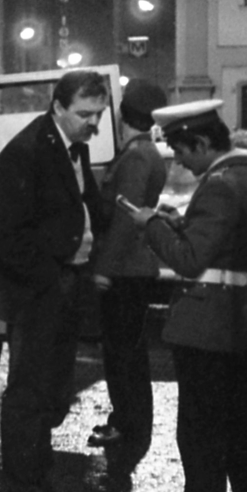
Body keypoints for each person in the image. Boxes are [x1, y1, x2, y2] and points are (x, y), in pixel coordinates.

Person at [120, 99, 247, 492]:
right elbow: (221, 247)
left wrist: (151, 224)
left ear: (200, 142)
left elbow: (191, 261)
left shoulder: (219, 185)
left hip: (207, 324)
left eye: (181, 150)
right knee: (245, 429)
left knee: (201, 436)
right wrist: (183, 226)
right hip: (240, 318)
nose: (179, 160)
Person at [0, 69, 110, 492]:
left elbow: (82, 207)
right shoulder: (27, 151)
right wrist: (49, 279)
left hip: (64, 285)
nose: (93, 122)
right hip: (41, 291)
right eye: (85, 113)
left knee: (52, 393)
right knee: (29, 396)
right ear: (58, 106)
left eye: (98, 113)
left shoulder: (72, 146)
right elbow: (7, 232)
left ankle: (43, 489)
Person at [88, 79, 168, 465]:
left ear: (122, 114)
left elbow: (125, 217)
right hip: (133, 265)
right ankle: (128, 422)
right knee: (127, 353)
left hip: (126, 267)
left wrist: (104, 269)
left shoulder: (136, 156)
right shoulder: (142, 151)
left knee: (124, 355)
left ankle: (129, 426)